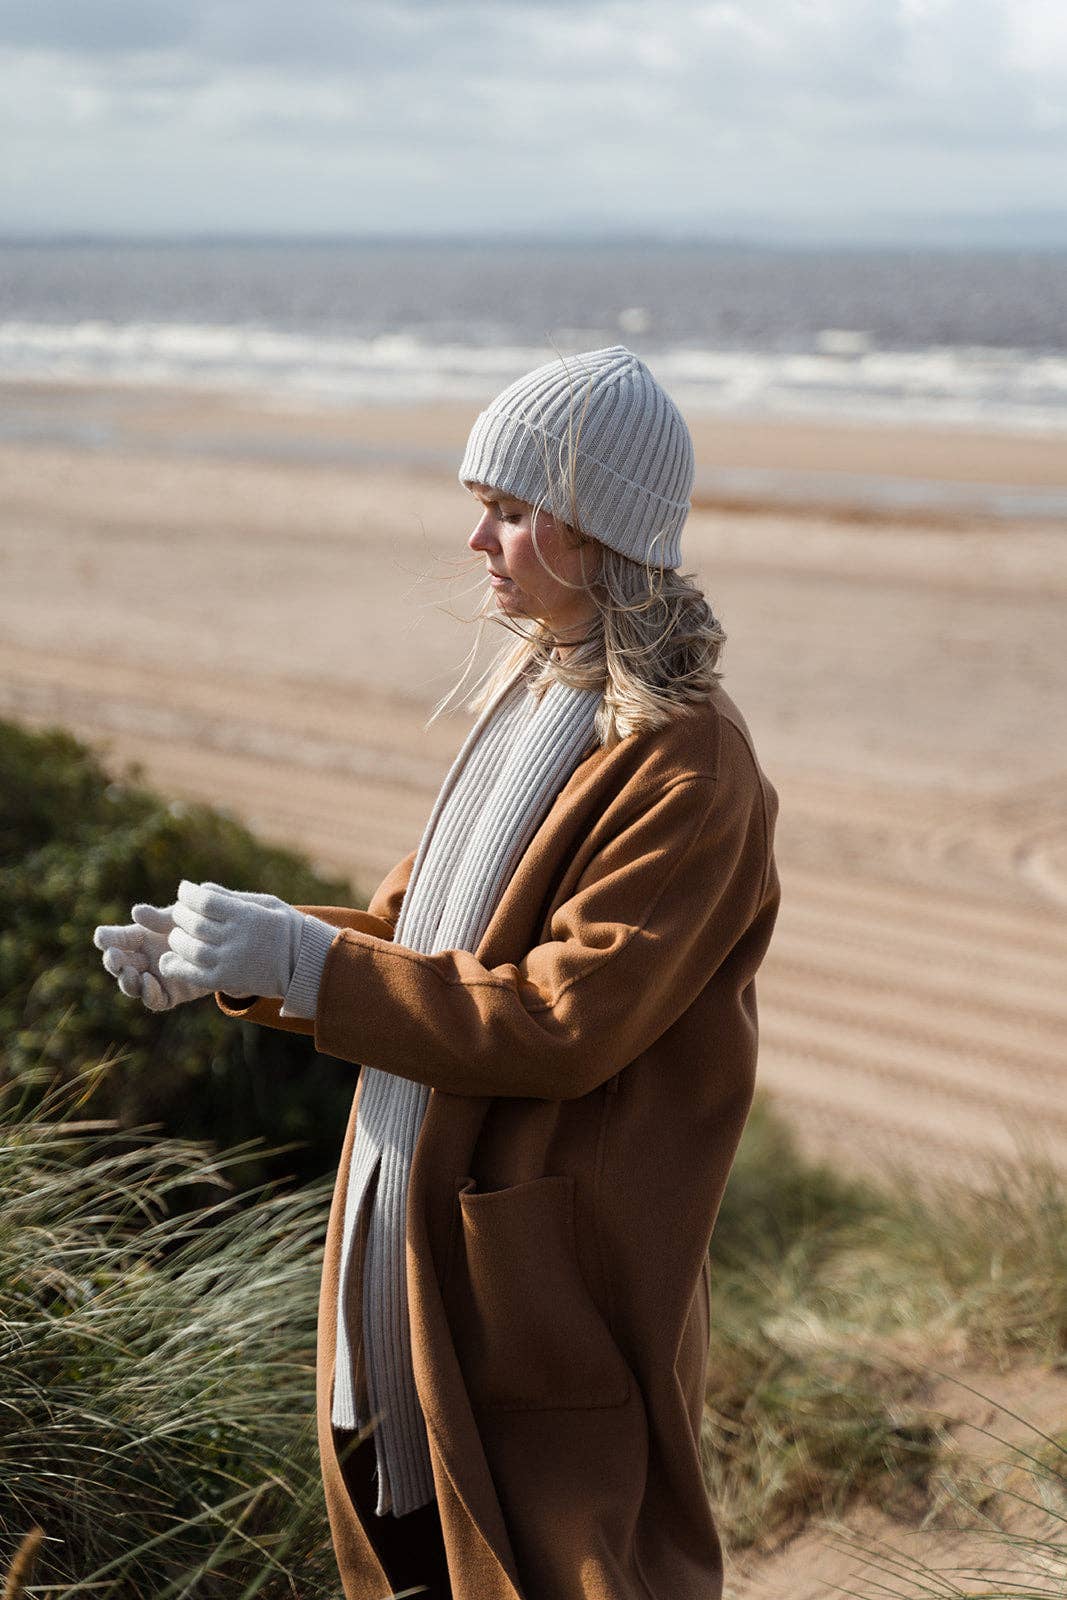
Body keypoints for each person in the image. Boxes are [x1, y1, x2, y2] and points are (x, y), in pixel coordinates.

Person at [94, 345, 782, 1600]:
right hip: (416, 1226)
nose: (477, 541)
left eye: (512, 511)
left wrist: (304, 962)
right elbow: (412, 938)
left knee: (578, 1563)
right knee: (420, 1551)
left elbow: (560, 1021)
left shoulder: (688, 763)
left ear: (601, 530)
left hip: (554, 1282)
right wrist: (231, 953)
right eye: (481, 505)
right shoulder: (535, 690)